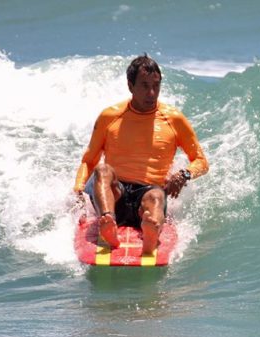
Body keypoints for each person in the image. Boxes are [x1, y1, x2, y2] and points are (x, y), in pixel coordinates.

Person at [73, 54, 209, 255]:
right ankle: (108, 221)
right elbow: (89, 160)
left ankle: (151, 231)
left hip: (147, 194)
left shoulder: (174, 119)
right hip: (114, 194)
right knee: (102, 170)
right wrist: (77, 190)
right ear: (130, 86)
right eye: (144, 86)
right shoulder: (110, 116)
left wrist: (184, 174)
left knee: (155, 195)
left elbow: (201, 161)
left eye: (156, 85)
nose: (152, 93)